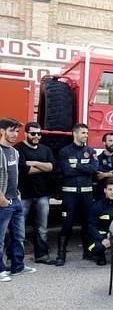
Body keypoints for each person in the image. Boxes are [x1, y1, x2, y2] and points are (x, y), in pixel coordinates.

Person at [55, 123, 98, 266]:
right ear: (75, 134)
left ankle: (88, 252)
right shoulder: (64, 151)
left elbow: (94, 169)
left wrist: (77, 166)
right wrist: (85, 168)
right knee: (67, 225)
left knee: (87, 224)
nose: (86, 135)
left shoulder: (91, 151)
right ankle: (61, 255)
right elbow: (66, 171)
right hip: (70, 196)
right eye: (83, 133)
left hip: (86, 195)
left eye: (87, 133)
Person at [14, 122, 56, 265]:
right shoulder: (18, 148)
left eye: (39, 133)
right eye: (33, 133)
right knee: (19, 229)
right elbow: (26, 170)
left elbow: (51, 167)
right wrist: (42, 166)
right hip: (24, 195)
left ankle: (41, 256)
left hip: (43, 195)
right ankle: (16, 260)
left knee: (42, 228)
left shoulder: (46, 149)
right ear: (26, 134)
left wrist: (34, 162)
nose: (36, 136)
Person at [1, 118, 36, 282]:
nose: (15, 134)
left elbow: (14, 176)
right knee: (0, 239)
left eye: (16, 131)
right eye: (11, 130)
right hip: (3, 201)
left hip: (15, 200)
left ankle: (17, 266)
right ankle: (1, 270)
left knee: (18, 237)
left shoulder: (14, 152)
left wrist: (18, 193)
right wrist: (1, 198)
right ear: (2, 131)